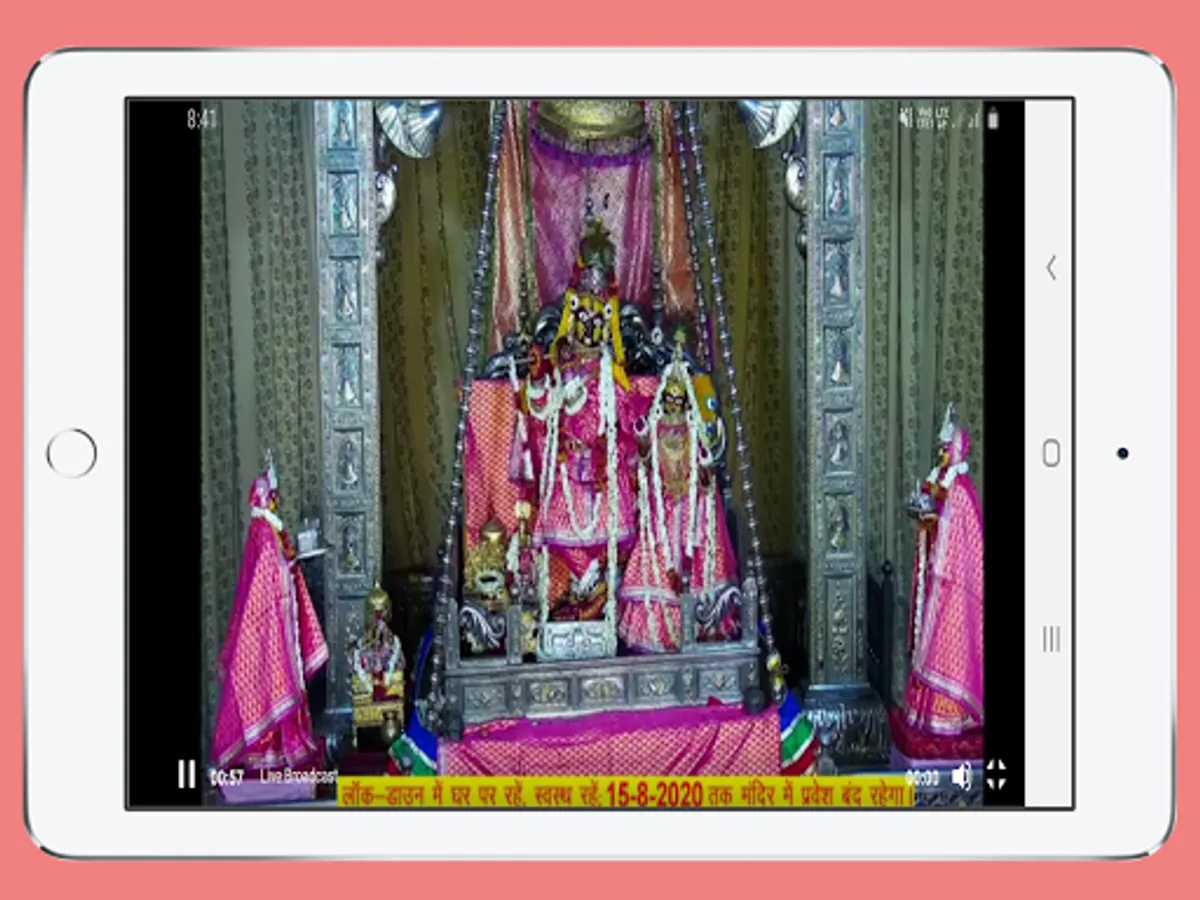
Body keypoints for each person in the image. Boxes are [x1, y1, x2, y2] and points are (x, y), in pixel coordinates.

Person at [512, 214, 643, 625]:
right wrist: (538, 380)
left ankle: (600, 598)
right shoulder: (562, 370)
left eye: (597, 322)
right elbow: (540, 413)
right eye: (582, 320)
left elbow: (628, 422)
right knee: (560, 543)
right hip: (567, 474)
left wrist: (615, 444)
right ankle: (579, 595)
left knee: (613, 542)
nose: (588, 330)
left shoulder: (613, 376)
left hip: (603, 478)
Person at [617, 337, 741, 652]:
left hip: (690, 511)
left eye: (679, 399)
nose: (673, 404)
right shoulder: (655, 429)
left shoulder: (693, 431)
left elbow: (704, 473)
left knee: (697, 559)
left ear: (687, 401)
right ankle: (657, 632)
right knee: (658, 560)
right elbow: (644, 465)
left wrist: (704, 475)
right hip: (661, 511)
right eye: (669, 399)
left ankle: (701, 626)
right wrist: (643, 446)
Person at [212, 459, 329, 771]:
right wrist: (287, 568)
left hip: (280, 619)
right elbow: (268, 577)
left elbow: (280, 567)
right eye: (273, 495)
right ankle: (268, 752)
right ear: (264, 498)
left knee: (285, 683)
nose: (276, 500)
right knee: (271, 681)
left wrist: (291, 566)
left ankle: (286, 746)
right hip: (267, 623)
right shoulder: (264, 533)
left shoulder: (270, 529)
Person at [902, 404, 984, 738]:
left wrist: (936, 521)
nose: (941, 453)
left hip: (954, 582)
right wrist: (926, 520)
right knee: (929, 640)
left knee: (949, 643)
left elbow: (960, 535)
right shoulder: (940, 481)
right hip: (936, 576)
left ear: (957, 450)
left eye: (945, 449)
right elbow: (936, 519)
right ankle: (927, 713)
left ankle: (953, 713)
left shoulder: (961, 490)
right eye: (940, 449)